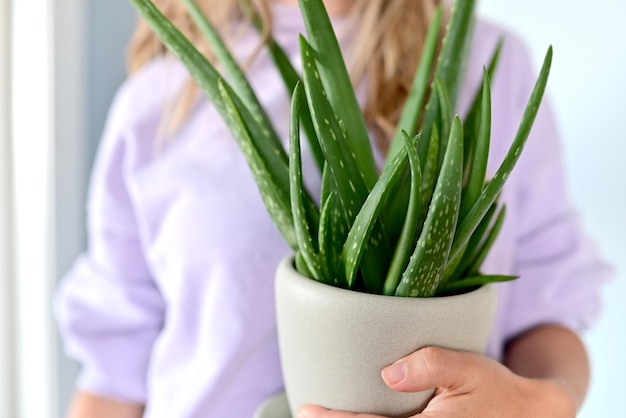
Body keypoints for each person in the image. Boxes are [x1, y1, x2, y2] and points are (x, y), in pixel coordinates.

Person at [54, 0, 612, 417]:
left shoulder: (486, 63)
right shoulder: (160, 101)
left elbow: (547, 307)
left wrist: (544, 404)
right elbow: (115, 370)